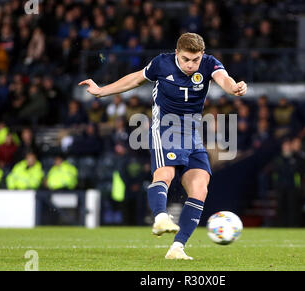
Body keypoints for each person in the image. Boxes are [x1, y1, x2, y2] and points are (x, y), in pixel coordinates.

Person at [79, 32, 247, 260]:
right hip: (165, 128)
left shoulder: (209, 64)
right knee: (165, 174)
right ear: (177, 53)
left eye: (195, 60)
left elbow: (223, 79)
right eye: (186, 59)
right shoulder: (162, 63)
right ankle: (160, 218)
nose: (191, 65)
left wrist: (234, 87)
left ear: (202, 55)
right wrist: (102, 90)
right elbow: (135, 79)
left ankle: (177, 248)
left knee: (200, 188)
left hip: (192, 134)